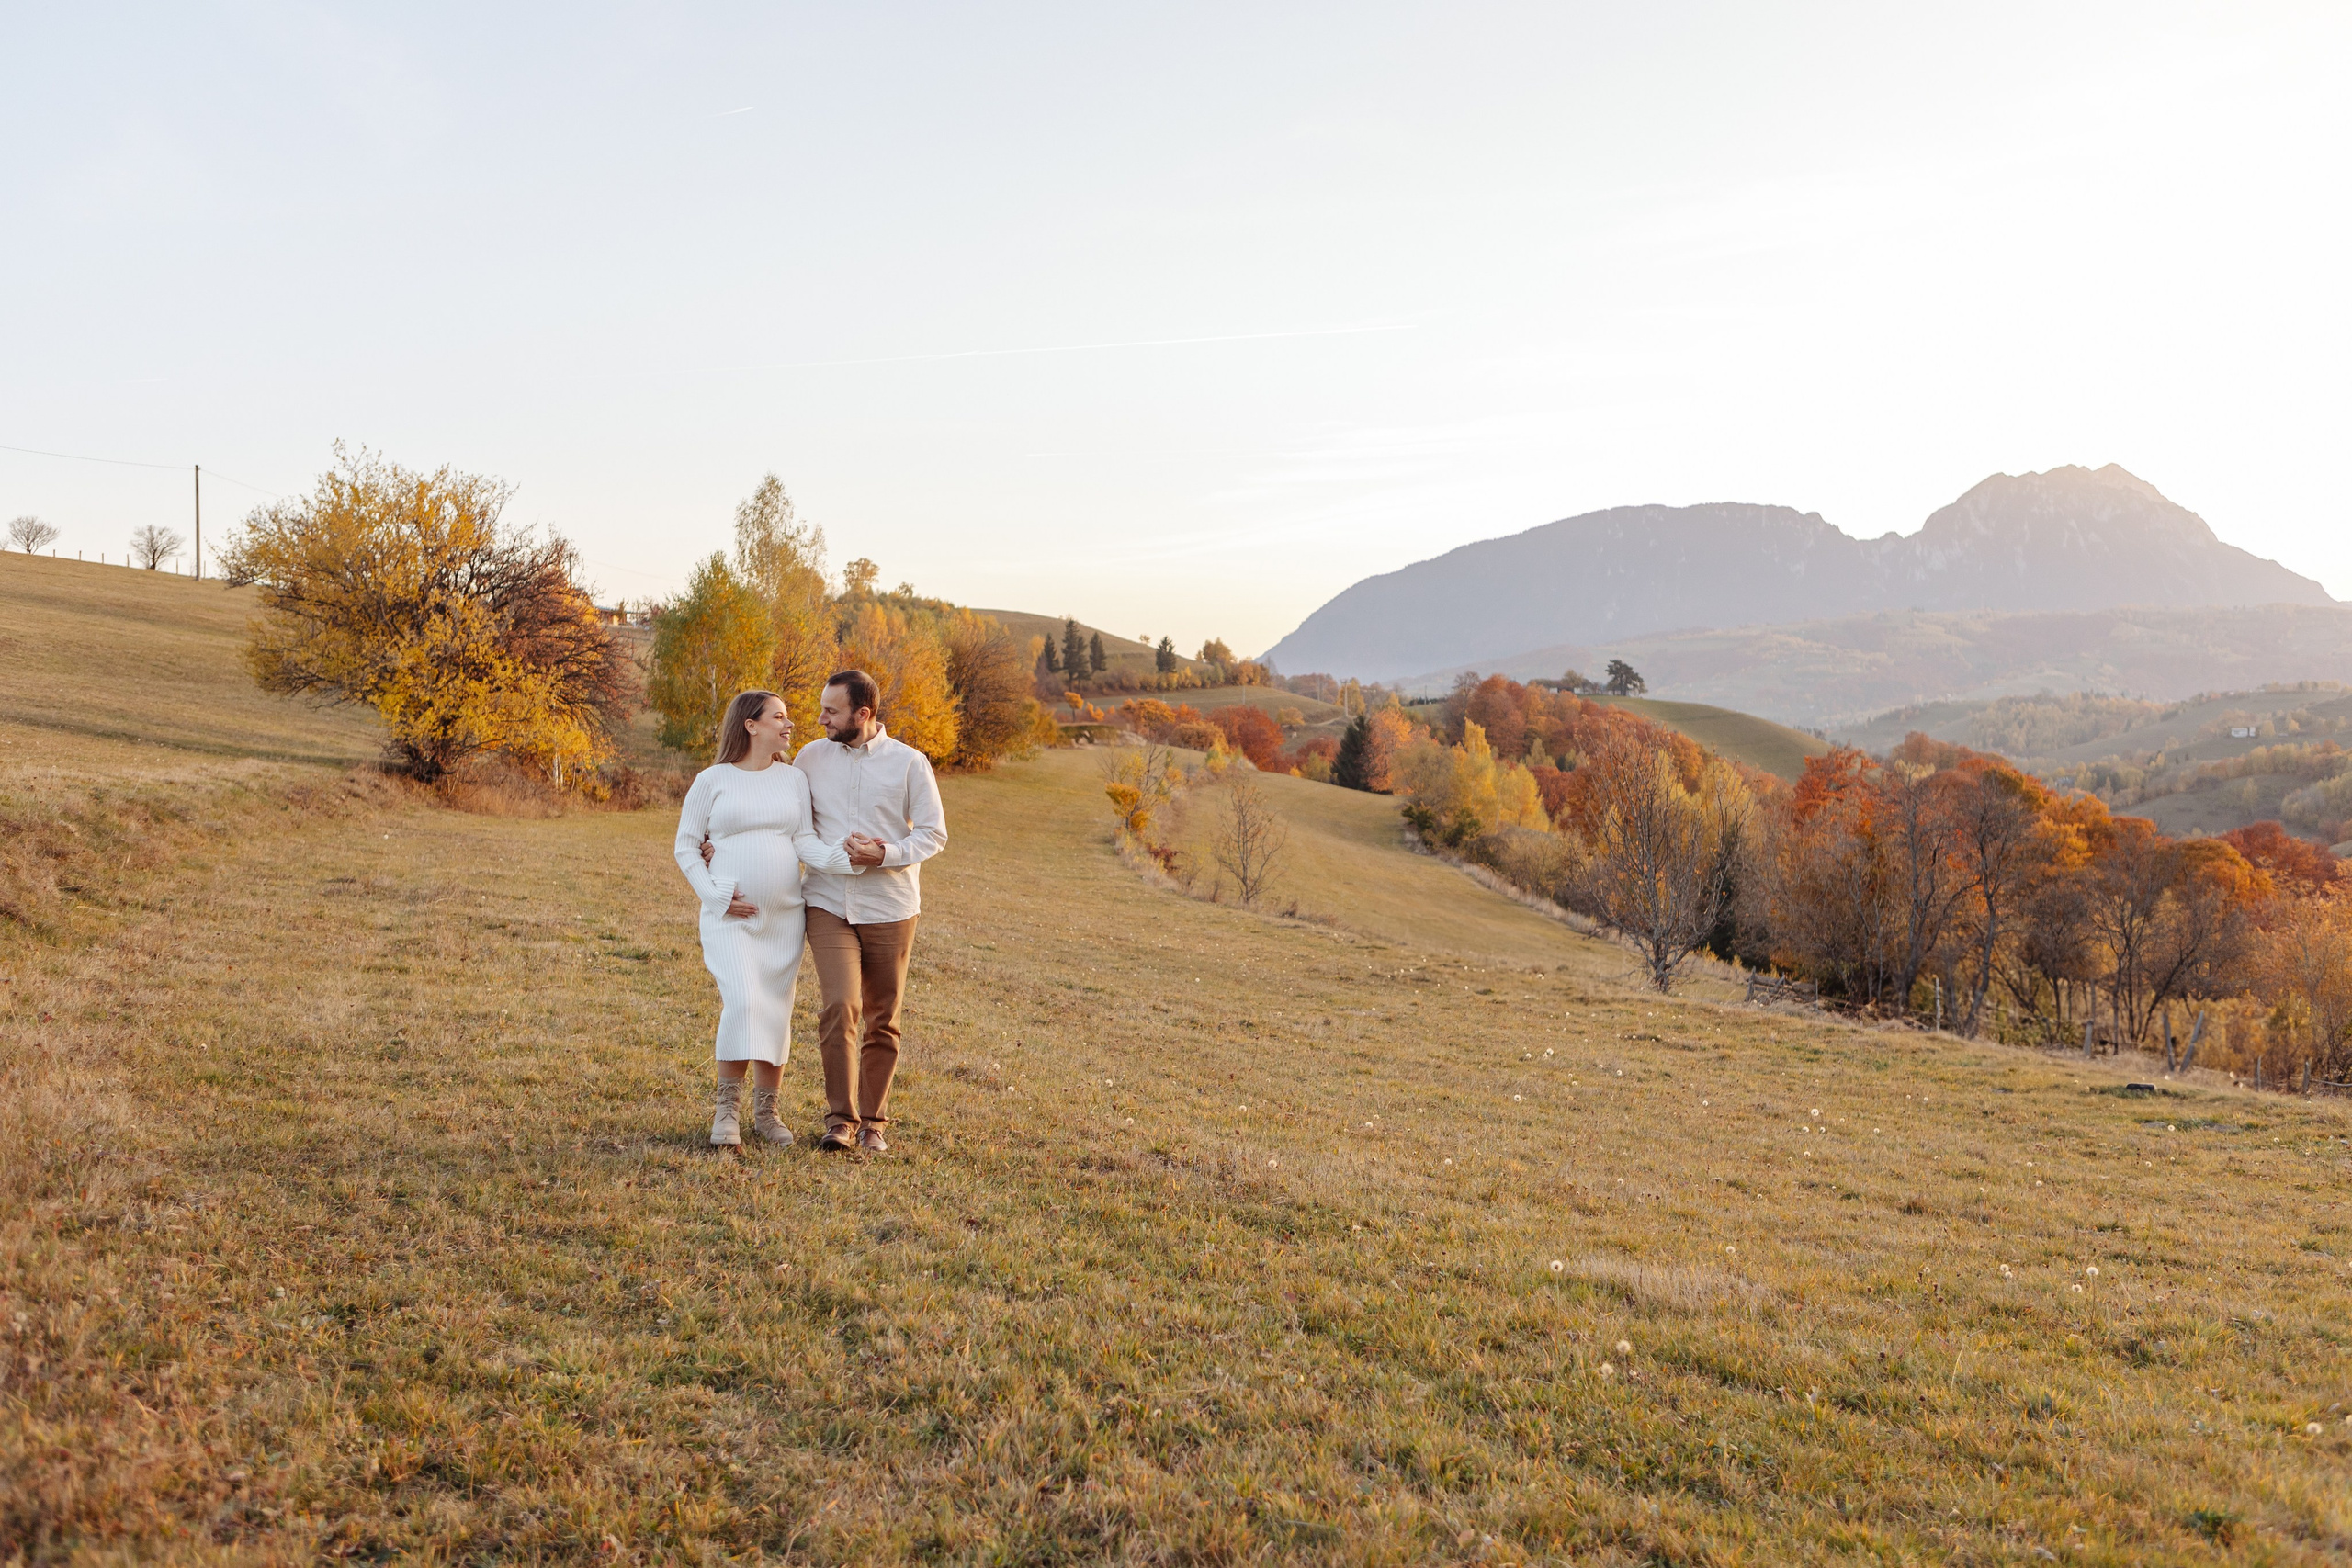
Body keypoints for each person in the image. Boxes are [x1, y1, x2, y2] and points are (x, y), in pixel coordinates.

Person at [673, 690, 862, 1147]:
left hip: (784, 918)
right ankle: (726, 1111)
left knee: (776, 1010)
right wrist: (717, 896)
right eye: (779, 717)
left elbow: (805, 842)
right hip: (730, 919)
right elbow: (686, 847)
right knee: (743, 1003)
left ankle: (766, 1113)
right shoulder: (712, 780)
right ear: (751, 725)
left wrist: (850, 857)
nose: (789, 724)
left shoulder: (793, 780)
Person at [793, 669, 947, 1152]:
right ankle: (840, 1120)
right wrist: (718, 845)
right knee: (841, 1005)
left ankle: (872, 1124)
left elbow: (934, 833)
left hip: (890, 906)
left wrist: (884, 854)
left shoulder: (910, 763)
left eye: (831, 711)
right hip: (827, 901)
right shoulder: (809, 758)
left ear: (863, 714)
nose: (821, 720)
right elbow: (785, 818)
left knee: (883, 1016)